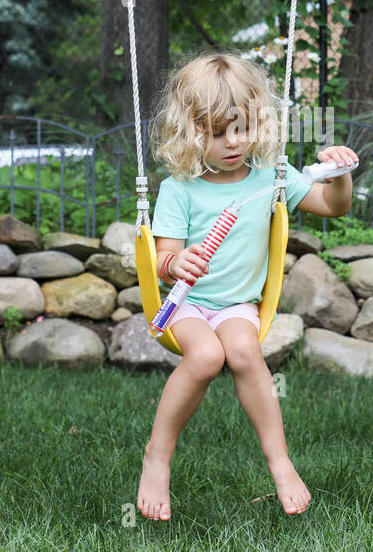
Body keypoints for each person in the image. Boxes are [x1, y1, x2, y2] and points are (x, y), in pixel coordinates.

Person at [137, 51, 359, 520]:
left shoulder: (272, 175)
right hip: (187, 304)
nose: (234, 141)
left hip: (238, 304)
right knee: (205, 356)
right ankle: (157, 458)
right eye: (218, 133)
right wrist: (177, 264)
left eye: (243, 127)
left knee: (243, 351)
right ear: (190, 133)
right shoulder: (181, 187)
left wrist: (340, 176)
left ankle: (279, 463)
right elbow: (161, 259)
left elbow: (332, 206)